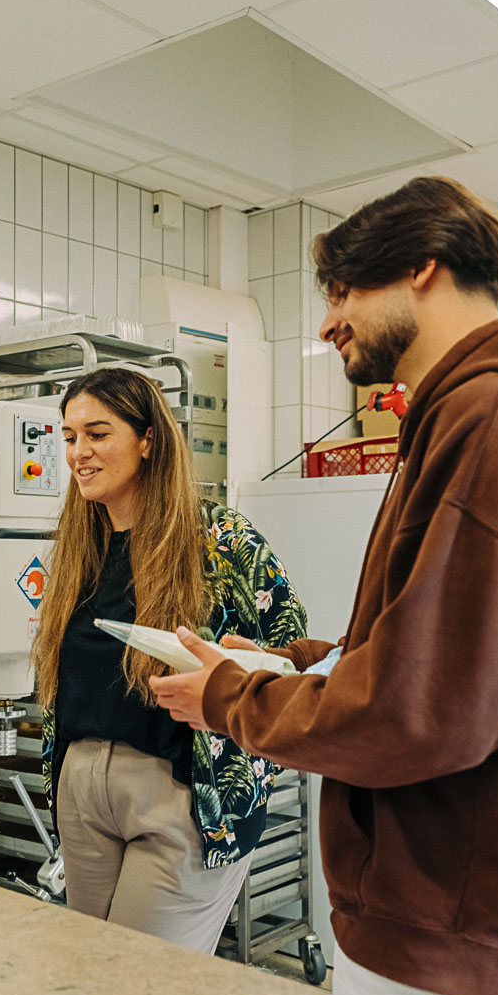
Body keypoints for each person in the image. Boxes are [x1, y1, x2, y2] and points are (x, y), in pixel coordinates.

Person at [152, 176, 498, 995]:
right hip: (470, 927)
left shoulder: (497, 420)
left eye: (343, 293)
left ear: (421, 266)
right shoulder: (489, 415)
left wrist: (230, 697)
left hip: (460, 951)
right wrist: (286, 661)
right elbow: (452, 652)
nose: (328, 324)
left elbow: (423, 708)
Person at [32, 366, 307, 953]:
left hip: (179, 795)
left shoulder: (221, 538)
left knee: (145, 990)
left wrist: (237, 680)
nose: (79, 452)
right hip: (82, 788)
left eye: (98, 434)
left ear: (148, 439)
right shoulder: (81, 544)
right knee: (91, 973)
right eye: (70, 436)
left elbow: (292, 659)